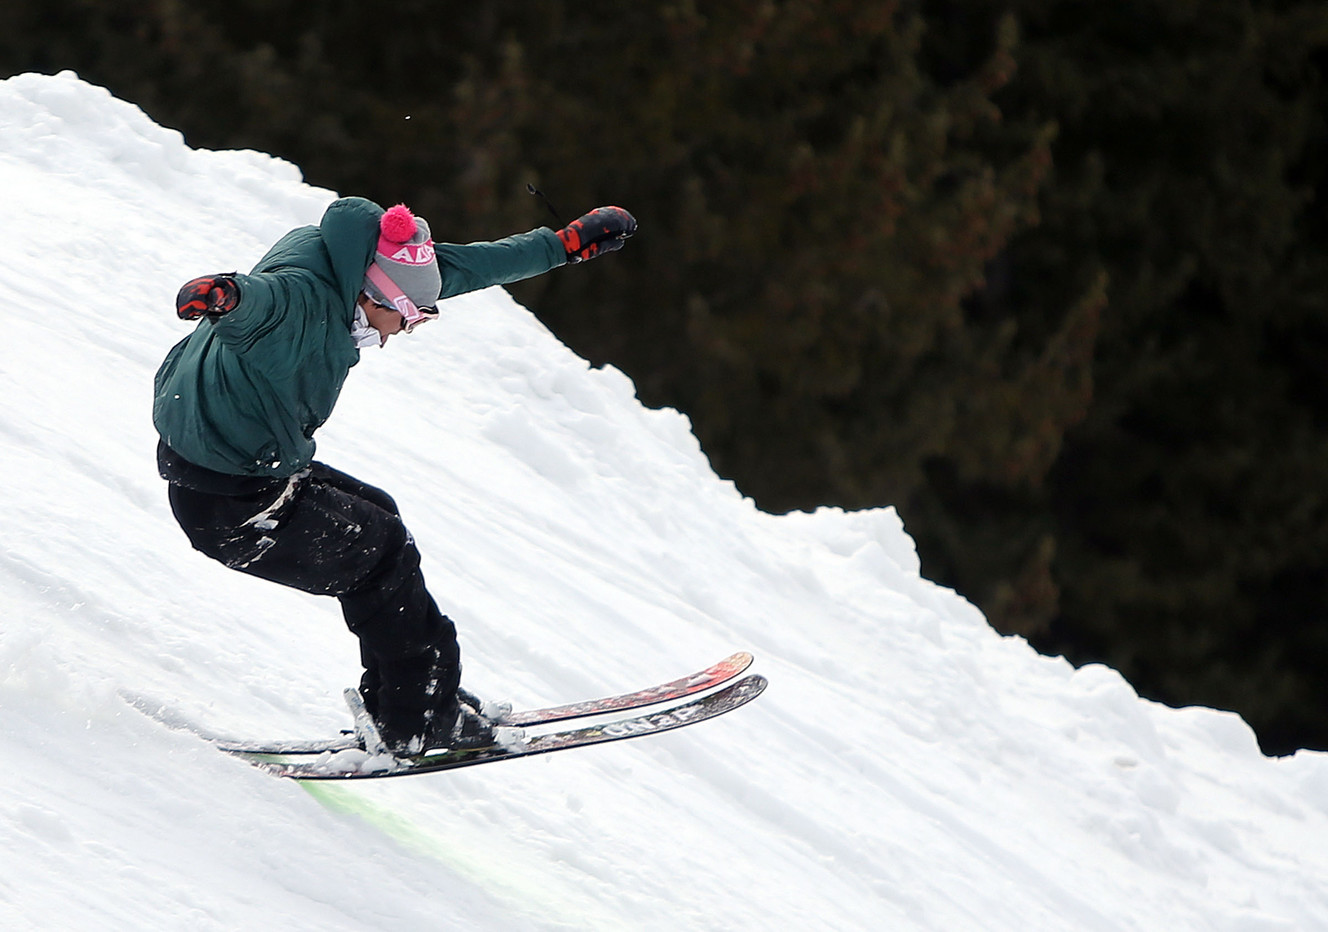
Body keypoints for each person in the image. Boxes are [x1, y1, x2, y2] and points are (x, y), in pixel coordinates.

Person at [153, 195, 636, 755]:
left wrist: (562, 245)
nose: (405, 331)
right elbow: (263, 302)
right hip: (231, 509)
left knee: (379, 516)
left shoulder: (348, 263)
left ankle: (405, 699)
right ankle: (419, 720)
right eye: (408, 317)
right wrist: (224, 295)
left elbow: (471, 265)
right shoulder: (301, 304)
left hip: (242, 474)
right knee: (385, 554)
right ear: (373, 294)